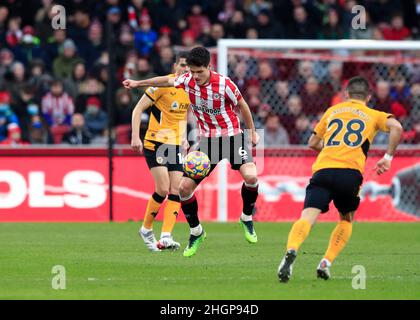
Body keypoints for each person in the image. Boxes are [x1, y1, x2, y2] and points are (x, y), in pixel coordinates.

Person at [124, 47, 260, 257]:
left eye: (199, 72)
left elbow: (242, 105)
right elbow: (165, 81)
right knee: (184, 188)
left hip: (233, 136)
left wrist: (251, 132)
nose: (195, 76)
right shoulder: (186, 80)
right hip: (207, 142)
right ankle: (196, 232)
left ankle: (246, 217)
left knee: (251, 175)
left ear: (209, 67)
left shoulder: (225, 84)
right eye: (192, 72)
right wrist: (137, 83)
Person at [277, 76, 403, 282]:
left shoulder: (333, 110)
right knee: (346, 219)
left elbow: (312, 142)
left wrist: (331, 149)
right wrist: (388, 157)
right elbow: (397, 127)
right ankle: (326, 261)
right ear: (368, 97)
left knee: (307, 217)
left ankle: (291, 249)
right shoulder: (373, 114)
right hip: (350, 174)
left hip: (324, 169)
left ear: (346, 95)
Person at [130, 52, 190, 252]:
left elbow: (182, 116)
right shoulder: (163, 86)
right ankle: (146, 229)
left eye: (189, 66)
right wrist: (135, 137)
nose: (185, 69)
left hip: (174, 145)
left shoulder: (190, 89)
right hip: (155, 142)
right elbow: (137, 110)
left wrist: (183, 138)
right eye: (182, 65)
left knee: (177, 190)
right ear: (175, 66)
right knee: (163, 189)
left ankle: (166, 236)